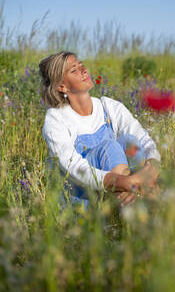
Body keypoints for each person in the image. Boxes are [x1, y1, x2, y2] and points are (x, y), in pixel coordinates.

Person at [39, 51, 160, 208]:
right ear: (61, 86)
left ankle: (138, 197)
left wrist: (152, 167)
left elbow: (144, 140)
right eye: (74, 70)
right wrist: (125, 182)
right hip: (81, 199)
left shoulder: (109, 107)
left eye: (81, 65)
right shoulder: (56, 119)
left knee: (129, 141)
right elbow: (74, 168)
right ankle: (143, 202)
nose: (83, 70)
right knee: (109, 147)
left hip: (122, 186)